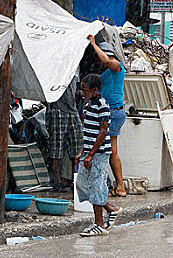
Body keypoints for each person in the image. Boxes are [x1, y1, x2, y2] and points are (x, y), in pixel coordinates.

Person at [76, 74, 123, 236]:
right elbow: (87, 130)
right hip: (89, 152)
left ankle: (99, 224)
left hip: (99, 153)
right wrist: (83, 151)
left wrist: (91, 154)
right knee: (82, 185)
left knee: (97, 186)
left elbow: (103, 132)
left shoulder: (102, 106)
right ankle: (111, 208)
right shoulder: (88, 105)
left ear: (95, 90)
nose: (82, 92)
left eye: (85, 90)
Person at [87, 34, 127, 197]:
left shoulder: (117, 66)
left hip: (113, 112)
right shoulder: (104, 73)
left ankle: (118, 186)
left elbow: (105, 60)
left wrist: (94, 44)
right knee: (110, 151)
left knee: (108, 151)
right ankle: (118, 186)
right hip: (110, 112)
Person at [46, 73, 83, 192]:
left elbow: (76, 88)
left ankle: (75, 180)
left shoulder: (75, 65)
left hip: (72, 109)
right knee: (57, 149)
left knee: (77, 146)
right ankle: (57, 182)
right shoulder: (58, 64)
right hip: (58, 110)